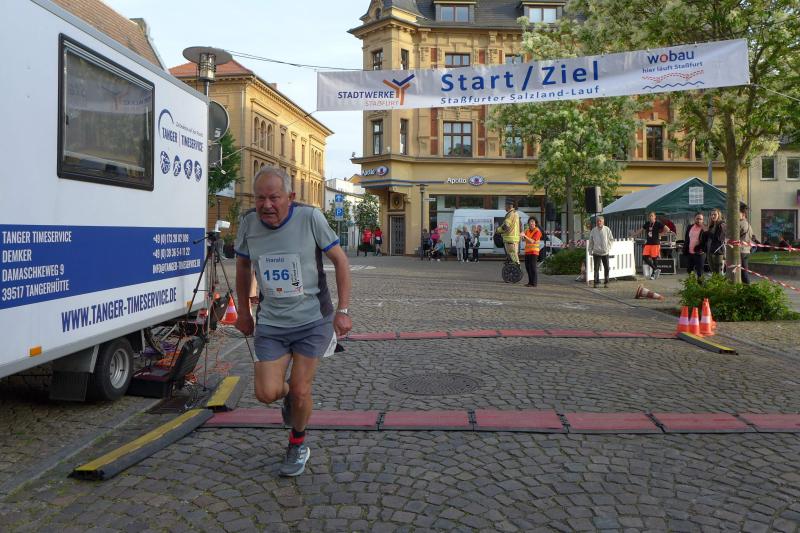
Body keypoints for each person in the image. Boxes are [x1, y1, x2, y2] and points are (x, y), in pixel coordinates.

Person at [234, 166, 352, 477]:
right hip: (271, 322)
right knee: (266, 393)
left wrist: (343, 310)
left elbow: (340, 260)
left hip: (312, 319)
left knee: (301, 390)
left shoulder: (310, 218)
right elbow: (243, 266)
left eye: (274, 197)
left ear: (291, 196)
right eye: (260, 198)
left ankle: (297, 444)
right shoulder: (248, 223)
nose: (266, 205)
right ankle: (289, 397)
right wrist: (244, 312)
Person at [630, 211, 669, 279]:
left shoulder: (658, 223)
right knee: (644, 257)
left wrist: (661, 234)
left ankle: (653, 274)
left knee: (654, 259)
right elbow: (641, 230)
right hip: (648, 243)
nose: (650, 217)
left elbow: (667, 229)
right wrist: (634, 234)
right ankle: (655, 269)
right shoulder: (647, 223)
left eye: (652, 216)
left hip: (655, 243)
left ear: (655, 217)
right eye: (649, 216)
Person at [588, 216, 615, 288]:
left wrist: (608, 247)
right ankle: (596, 282)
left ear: (603, 222)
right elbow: (591, 241)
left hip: (605, 252)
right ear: (596, 222)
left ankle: (606, 282)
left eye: (600, 221)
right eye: (597, 221)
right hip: (596, 252)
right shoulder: (593, 230)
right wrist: (590, 250)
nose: (599, 222)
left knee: (606, 268)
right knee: (596, 269)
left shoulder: (607, 229)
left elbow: (611, 239)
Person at [682, 212, 707, 281]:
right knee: (689, 271)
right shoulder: (690, 227)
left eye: (700, 219)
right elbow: (687, 239)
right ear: (694, 219)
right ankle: (692, 285)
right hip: (690, 253)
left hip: (700, 253)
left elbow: (707, 241)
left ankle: (700, 286)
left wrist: (703, 249)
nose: (699, 220)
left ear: (703, 220)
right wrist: (685, 249)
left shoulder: (705, 228)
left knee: (700, 272)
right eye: (697, 218)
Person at [497, 198, 521, 266]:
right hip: (513, 239)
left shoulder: (511, 214)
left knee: (514, 259)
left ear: (509, 205)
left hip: (510, 240)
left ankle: (516, 269)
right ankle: (514, 267)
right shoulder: (515, 213)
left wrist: (498, 230)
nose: (504, 207)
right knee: (513, 258)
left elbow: (506, 226)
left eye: (505, 205)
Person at [522, 217, 542, 287]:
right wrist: (522, 236)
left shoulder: (537, 231)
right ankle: (530, 282)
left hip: (534, 251)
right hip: (527, 251)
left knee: (533, 267)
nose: (531, 223)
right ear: (528, 223)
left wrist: (525, 236)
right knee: (527, 267)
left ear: (535, 223)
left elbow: (532, 241)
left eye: (533, 222)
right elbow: (524, 239)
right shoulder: (527, 230)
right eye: (530, 222)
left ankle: (534, 283)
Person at [706, 208, 726, 275]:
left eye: (715, 214)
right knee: (713, 272)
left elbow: (719, 238)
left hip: (718, 251)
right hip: (710, 251)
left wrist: (708, 232)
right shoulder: (711, 225)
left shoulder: (722, 224)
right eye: (711, 215)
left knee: (718, 273)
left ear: (719, 215)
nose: (713, 216)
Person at [738, 206, 753, 284]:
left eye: (738, 213)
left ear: (743, 214)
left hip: (741, 250)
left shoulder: (741, 223)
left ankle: (748, 288)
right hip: (746, 250)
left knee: (743, 274)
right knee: (743, 272)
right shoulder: (748, 224)